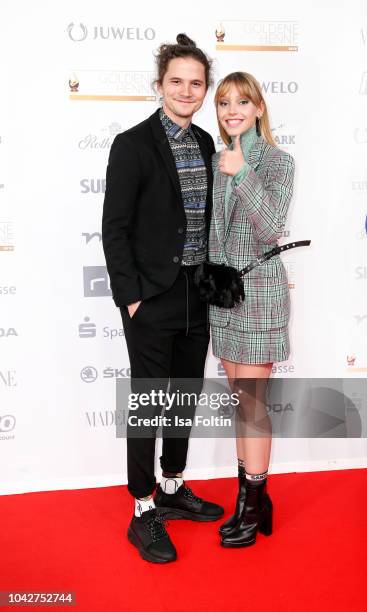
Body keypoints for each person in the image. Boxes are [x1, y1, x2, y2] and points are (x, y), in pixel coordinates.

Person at [102, 33, 224, 564]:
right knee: (150, 404)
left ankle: (173, 487)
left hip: (197, 294)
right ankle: (143, 508)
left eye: (196, 83)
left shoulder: (204, 143)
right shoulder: (131, 145)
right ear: (159, 86)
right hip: (151, 298)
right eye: (176, 81)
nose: (185, 90)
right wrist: (131, 298)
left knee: (184, 398)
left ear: (204, 91)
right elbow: (115, 229)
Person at [209, 72, 295, 547]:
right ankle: (252, 497)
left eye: (243, 101)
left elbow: (271, 226)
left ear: (259, 108)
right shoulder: (216, 159)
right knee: (240, 403)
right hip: (224, 298)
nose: (232, 110)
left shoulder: (279, 162)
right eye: (224, 103)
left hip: (260, 297)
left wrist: (241, 172)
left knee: (252, 405)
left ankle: (252, 502)